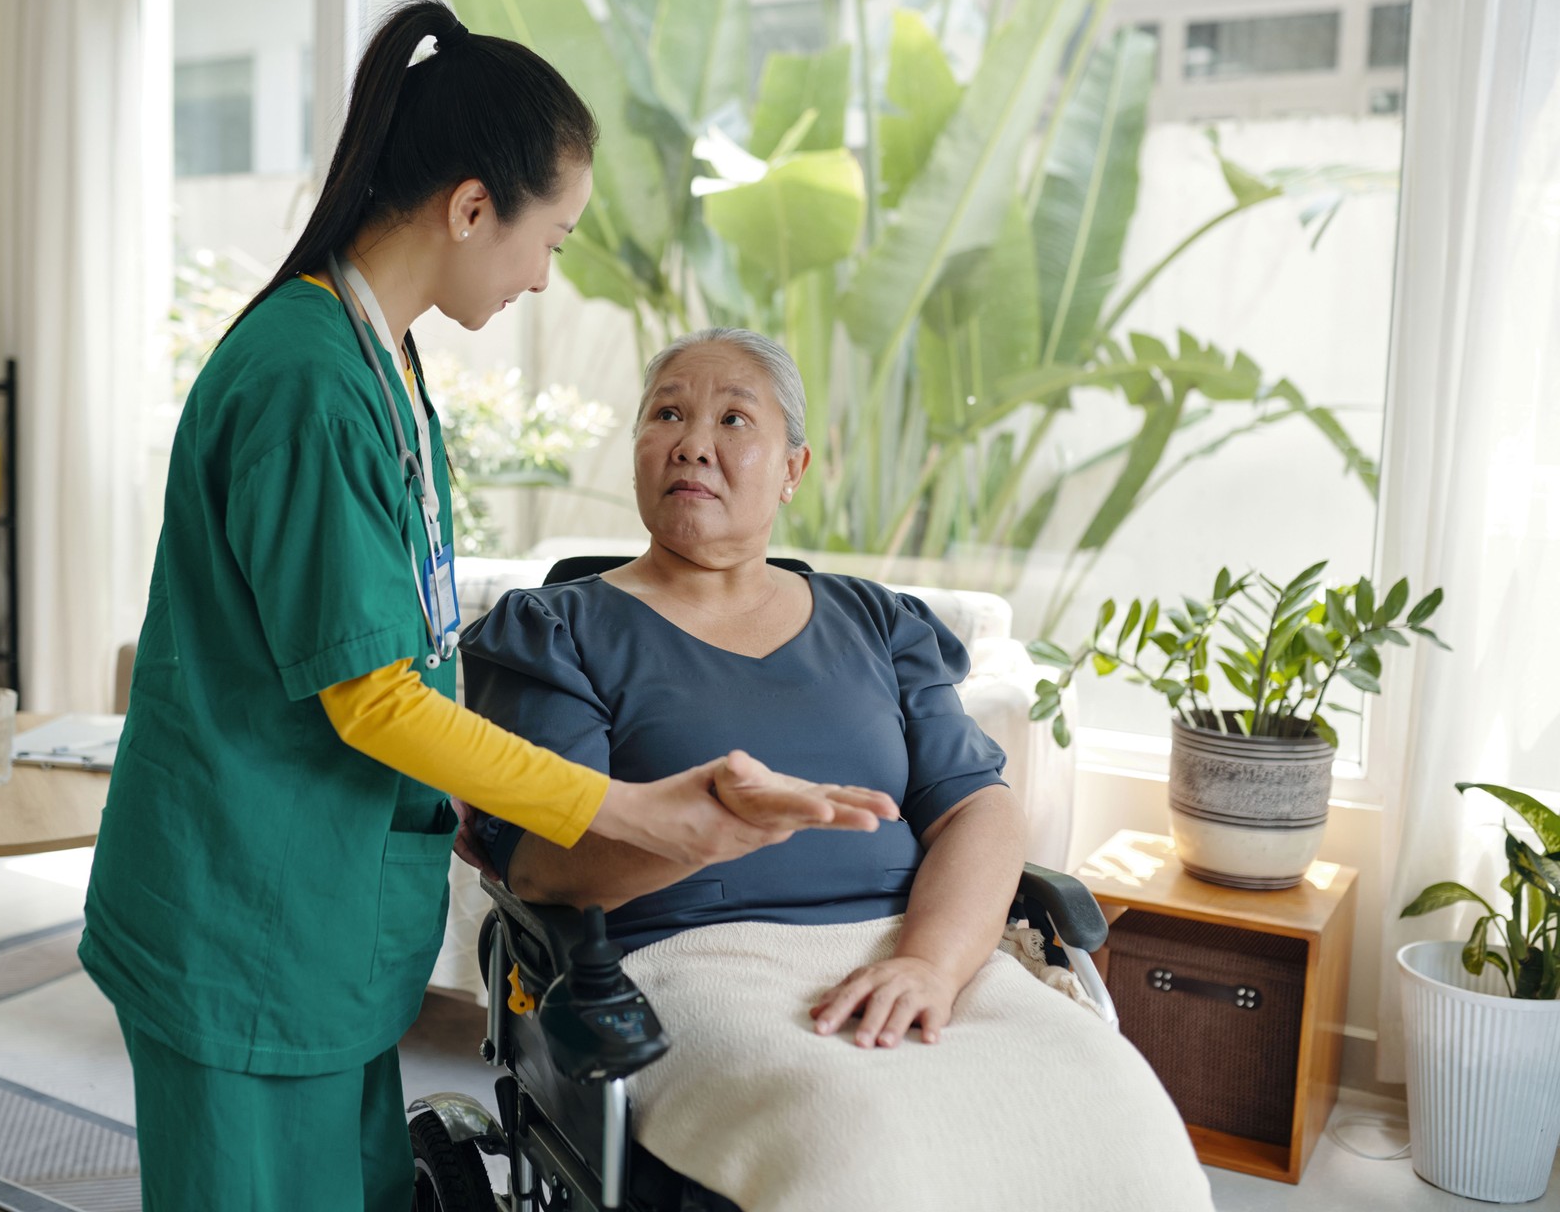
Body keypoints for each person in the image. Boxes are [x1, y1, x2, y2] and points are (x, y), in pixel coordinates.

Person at [78, 2, 898, 1212]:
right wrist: (627, 810)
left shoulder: (382, 362)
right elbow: (371, 692)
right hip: (244, 914)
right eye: (549, 238)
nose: (542, 273)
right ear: (472, 209)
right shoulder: (306, 381)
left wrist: (467, 784)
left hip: (329, 919)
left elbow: (403, 628)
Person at [460, 328, 1214, 1210]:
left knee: (1122, 1117)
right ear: (637, 450)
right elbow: (549, 863)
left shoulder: (875, 623)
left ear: (792, 468)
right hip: (689, 961)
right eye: (668, 412)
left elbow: (978, 808)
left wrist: (930, 966)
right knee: (857, 1148)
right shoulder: (560, 629)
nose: (693, 441)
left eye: (733, 419)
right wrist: (709, 831)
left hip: (913, 944)